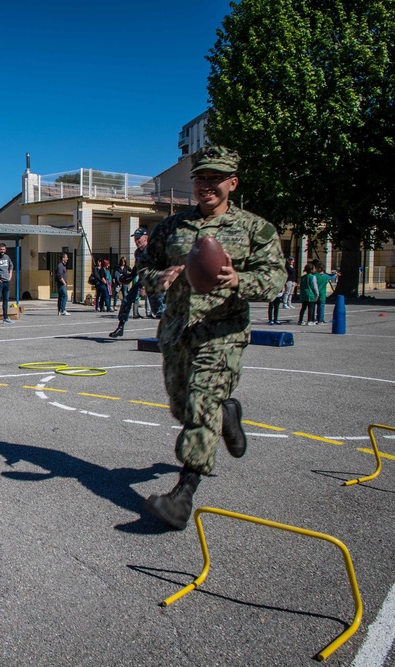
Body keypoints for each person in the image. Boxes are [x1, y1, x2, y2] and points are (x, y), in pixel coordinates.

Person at [138, 146, 285, 530]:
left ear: (232, 183)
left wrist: (240, 280)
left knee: (203, 406)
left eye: (215, 179)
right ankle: (228, 413)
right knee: (183, 409)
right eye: (200, 178)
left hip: (223, 334)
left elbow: (275, 281)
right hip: (177, 332)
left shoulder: (256, 229)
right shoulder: (171, 227)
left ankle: (183, 494)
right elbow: (144, 270)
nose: (206, 185)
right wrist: (160, 279)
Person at [109, 227, 153, 338]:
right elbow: (137, 268)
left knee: (159, 308)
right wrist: (129, 276)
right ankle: (120, 327)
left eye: (139, 238)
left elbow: (153, 269)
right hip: (142, 280)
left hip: (155, 281)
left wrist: (144, 286)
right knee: (127, 301)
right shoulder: (138, 253)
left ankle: (176, 332)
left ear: (146, 238)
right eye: (135, 239)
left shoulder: (152, 250)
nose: (136, 241)